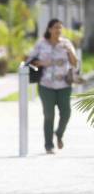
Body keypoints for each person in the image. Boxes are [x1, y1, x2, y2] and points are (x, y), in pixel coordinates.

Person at [29, 19, 78, 154]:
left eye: (60, 28)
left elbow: (75, 63)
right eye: (56, 27)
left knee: (66, 113)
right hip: (46, 85)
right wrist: (42, 62)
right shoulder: (41, 44)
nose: (59, 30)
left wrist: (70, 51)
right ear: (50, 29)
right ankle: (49, 145)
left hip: (64, 85)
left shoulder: (66, 43)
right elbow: (30, 60)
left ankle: (59, 133)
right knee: (49, 115)